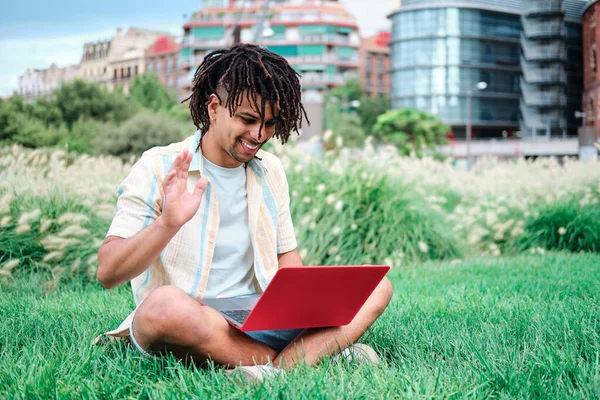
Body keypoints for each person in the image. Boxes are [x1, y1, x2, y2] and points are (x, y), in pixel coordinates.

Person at [96, 43, 393, 381]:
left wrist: (302, 308)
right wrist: (168, 223)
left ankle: (273, 370)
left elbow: (287, 259)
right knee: (162, 309)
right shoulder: (159, 166)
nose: (258, 135)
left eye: (269, 123)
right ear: (213, 108)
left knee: (378, 287)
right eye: (248, 120)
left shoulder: (270, 170)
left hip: (259, 318)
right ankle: (313, 356)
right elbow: (108, 271)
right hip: (192, 317)